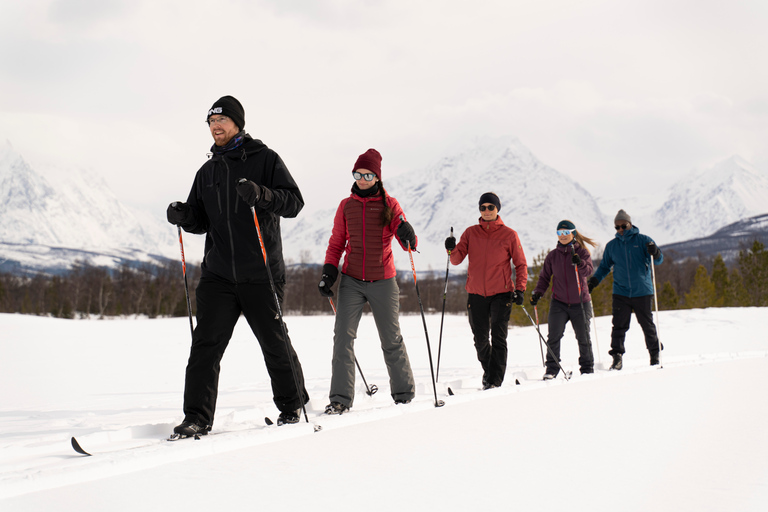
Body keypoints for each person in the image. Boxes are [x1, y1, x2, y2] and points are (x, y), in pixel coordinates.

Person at [166, 95, 308, 435]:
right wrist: (184, 215)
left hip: (261, 273)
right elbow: (202, 219)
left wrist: (263, 195)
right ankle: (196, 418)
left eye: (222, 120)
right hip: (218, 276)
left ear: (237, 124)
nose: (215, 126)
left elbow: (294, 203)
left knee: (274, 343)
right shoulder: (207, 171)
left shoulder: (266, 160)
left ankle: (293, 407)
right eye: (211, 122)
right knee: (205, 347)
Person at [318, 149, 417, 414]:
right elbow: (337, 242)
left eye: (368, 175)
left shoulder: (390, 204)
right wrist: (329, 272)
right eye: (358, 174)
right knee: (342, 339)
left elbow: (405, 240)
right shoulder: (346, 206)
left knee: (391, 339)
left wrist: (409, 235)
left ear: (377, 177)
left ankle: (404, 395)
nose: (362, 179)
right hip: (351, 281)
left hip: (384, 281)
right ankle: (340, 398)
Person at [445, 192, 527, 389]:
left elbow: (521, 264)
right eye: (483, 207)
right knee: (480, 339)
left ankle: (494, 381)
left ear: (498, 209)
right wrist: (450, 249)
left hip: (501, 293)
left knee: (498, 337)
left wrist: (521, 288)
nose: (487, 211)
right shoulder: (471, 233)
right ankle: (490, 373)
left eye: (491, 207)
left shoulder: (509, 234)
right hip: (476, 294)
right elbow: (456, 260)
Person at [588, 209, 664, 370]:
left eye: (623, 225)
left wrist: (655, 252)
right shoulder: (612, 246)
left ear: (630, 224)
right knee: (619, 326)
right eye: (617, 227)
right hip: (621, 292)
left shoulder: (644, 240)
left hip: (642, 290)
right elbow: (604, 268)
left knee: (647, 324)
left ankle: (655, 353)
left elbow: (658, 261)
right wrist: (594, 281)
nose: (621, 229)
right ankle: (617, 357)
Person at [531, 220, 597, 379]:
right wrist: (538, 292)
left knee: (583, 337)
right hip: (559, 303)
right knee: (553, 336)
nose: (563, 236)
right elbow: (544, 277)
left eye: (566, 232)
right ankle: (551, 369)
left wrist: (579, 263)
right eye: (559, 233)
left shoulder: (582, 253)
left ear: (573, 233)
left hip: (580, 302)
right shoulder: (553, 256)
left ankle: (587, 369)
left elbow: (588, 271)